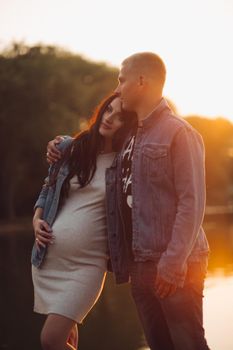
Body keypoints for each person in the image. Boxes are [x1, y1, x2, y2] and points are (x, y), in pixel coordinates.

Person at [47, 52, 210, 350]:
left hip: (176, 266)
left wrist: (172, 264)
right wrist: (60, 144)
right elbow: (96, 144)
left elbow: (192, 202)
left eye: (122, 80)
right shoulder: (131, 138)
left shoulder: (180, 133)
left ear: (142, 81)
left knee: (189, 345)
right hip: (140, 268)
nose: (118, 87)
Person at [31, 93, 136, 350]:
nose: (110, 118)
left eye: (120, 116)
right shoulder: (71, 148)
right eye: (108, 110)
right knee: (65, 340)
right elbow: (49, 187)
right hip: (49, 260)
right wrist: (36, 220)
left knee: (50, 340)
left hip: (87, 266)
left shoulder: (124, 163)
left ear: (129, 124)